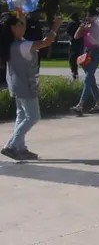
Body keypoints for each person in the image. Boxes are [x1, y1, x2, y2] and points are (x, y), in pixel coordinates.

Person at [0, 12, 61, 161]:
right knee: (33, 116)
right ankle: (11, 146)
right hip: (25, 86)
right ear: (13, 28)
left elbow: (22, 28)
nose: (23, 26)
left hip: (16, 85)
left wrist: (21, 14)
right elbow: (46, 42)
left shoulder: (12, 44)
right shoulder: (23, 45)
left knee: (22, 116)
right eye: (20, 24)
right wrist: (55, 26)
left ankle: (20, 148)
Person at [71, 8, 99, 115]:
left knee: (88, 78)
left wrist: (88, 29)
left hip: (94, 52)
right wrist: (81, 28)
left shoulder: (97, 27)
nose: (87, 18)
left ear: (95, 17)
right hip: (86, 53)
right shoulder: (86, 27)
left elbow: (97, 40)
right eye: (87, 16)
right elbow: (75, 37)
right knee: (91, 79)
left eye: (90, 16)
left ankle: (80, 104)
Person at [66, 12, 82, 80]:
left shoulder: (71, 24)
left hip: (73, 43)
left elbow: (68, 32)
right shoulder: (80, 24)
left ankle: (74, 72)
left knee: (72, 59)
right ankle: (75, 72)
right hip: (80, 43)